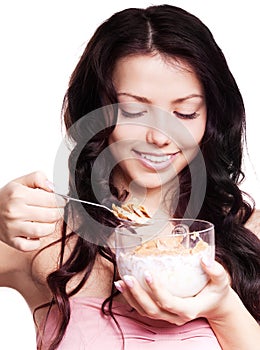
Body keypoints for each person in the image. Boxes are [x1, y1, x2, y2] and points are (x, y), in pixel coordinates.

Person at [0, 4, 259, 350]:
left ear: (211, 118)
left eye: (184, 112)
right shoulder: (44, 237)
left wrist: (224, 308)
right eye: (135, 111)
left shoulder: (249, 237)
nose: (160, 136)